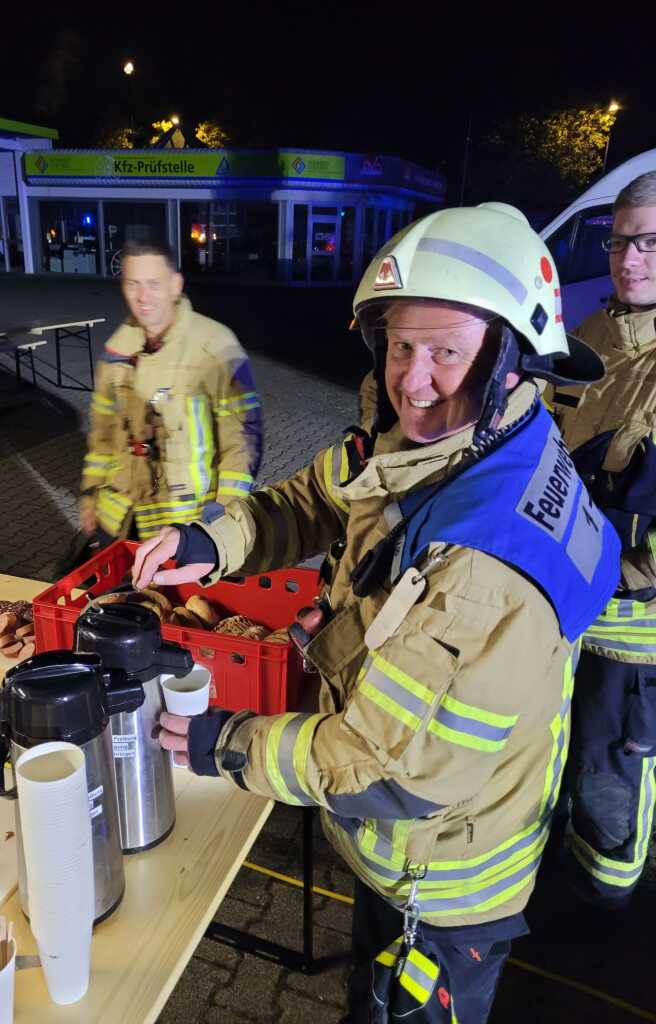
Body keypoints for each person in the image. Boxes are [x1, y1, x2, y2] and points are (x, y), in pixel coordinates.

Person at [133, 205, 620, 1022]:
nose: (413, 381)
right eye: (399, 346)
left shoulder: (480, 571)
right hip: (416, 846)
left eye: (446, 353)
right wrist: (213, 540)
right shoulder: (462, 440)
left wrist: (228, 743)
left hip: (442, 885)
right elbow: (319, 494)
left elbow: (384, 771)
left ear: (510, 360)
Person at [548, 171, 656, 908]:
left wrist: (630, 572)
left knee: (610, 777)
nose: (628, 259)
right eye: (618, 242)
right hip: (562, 613)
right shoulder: (585, 339)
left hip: (633, 637)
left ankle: (608, 908)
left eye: (648, 243)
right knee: (553, 758)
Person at [79, 240, 262, 545]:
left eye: (154, 283)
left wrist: (224, 516)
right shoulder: (115, 351)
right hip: (120, 517)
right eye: (133, 283)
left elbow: (242, 442)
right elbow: (102, 438)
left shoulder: (215, 347)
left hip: (186, 523)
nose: (143, 296)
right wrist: (89, 493)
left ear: (176, 285)